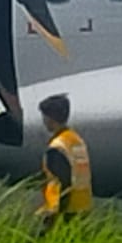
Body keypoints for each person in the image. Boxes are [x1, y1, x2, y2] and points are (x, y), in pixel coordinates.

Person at [37, 93, 92, 235]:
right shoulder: (76, 140)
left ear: (50, 118)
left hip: (64, 209)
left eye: (44, 117)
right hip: (82, 204)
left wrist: (54, 215)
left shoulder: (57, 147)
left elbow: (62, 182)